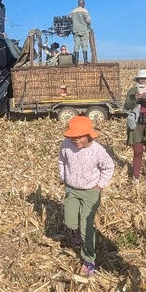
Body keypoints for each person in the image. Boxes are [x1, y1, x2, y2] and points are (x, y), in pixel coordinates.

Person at [58, 115, 115, 276]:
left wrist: (99, 186)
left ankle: (89, 259)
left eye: (79, 136)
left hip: (91, 192)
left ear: (89, 135)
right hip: (72, 189)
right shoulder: (66, 145)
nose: (75, 140)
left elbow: (109, 167)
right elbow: (62, 160)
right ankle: (78, 232)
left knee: (86, 226)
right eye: (73, 136)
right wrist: (63, 177)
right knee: (70, 222)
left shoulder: (97, 151)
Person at [70, 0, 92, 64]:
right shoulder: (85, 11)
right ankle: (85, 61)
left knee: (76, 45)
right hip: (83, 30)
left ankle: (76, 61)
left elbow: (70, 20)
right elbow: (88, 21)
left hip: (75, 30)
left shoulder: (72, 11)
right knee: (84, 45)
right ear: (83, 4)